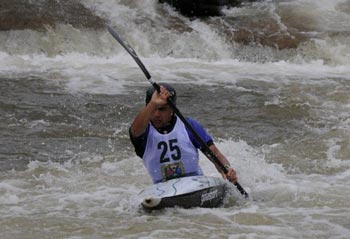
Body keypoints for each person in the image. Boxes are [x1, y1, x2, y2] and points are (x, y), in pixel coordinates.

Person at [129, 83, 237, 184]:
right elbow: (135, 131)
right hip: (162, 188)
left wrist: (226, 169)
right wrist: (153, 103)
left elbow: (215, 154)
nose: (156, 114)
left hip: (194, 182)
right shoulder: (143, 131)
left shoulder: (188, 126)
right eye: (153, 109)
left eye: (162, 109)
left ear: (172, 109)